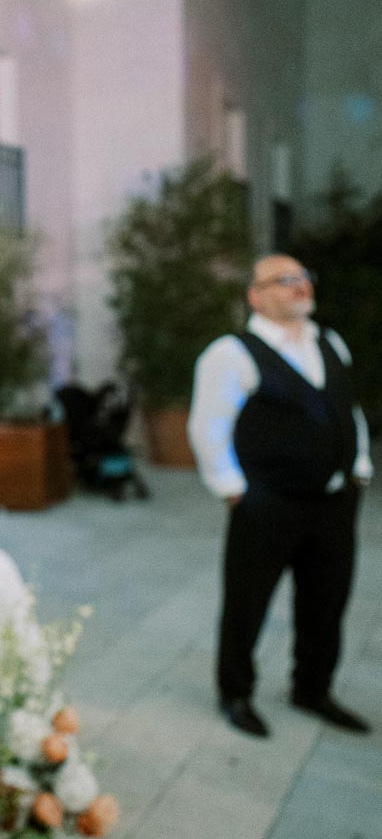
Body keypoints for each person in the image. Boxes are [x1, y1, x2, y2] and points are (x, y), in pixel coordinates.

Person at [189, 253, 373, 739]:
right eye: (284, 280)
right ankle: (236, 693)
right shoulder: (231, 353)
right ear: (256, 295)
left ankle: (312, 689)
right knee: (248, 603)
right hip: (268, 504)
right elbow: (209, 427)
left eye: (304, 277)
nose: (300, 286)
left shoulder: (329, 341)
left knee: (326, 601)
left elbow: (346, 408)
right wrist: (233, 491)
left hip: (334, 502)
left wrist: (358, 469)